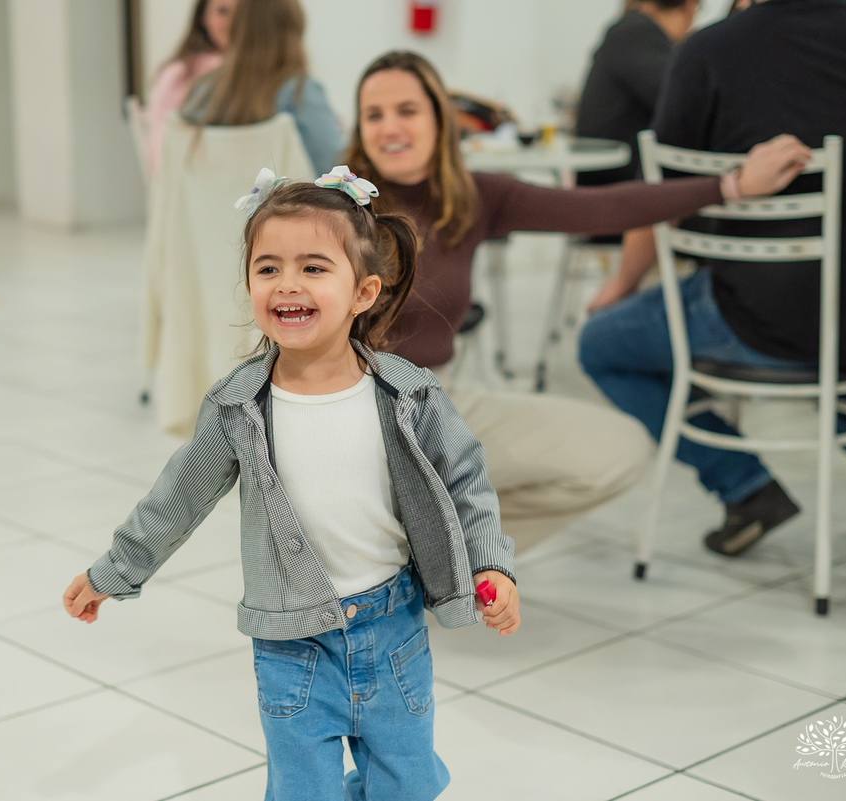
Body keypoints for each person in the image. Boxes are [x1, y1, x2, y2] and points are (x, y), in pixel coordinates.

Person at [64, 168, 519, 800]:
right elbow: (177, 499)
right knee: (304, 792)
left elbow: (467, 479)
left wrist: (493, 565)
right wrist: (112, 572)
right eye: (268, 268)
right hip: (291, 646)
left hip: (394, 632)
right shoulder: (238, 407)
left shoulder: (407, 392)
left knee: (407, 786)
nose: (287, 285)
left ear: (363, 292)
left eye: (312, 267)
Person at [341, 50, 809, 554]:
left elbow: (601, 208)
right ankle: (411, 549)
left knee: (618, 451)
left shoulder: (475, 197)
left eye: (407, 110)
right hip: (358, 416)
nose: (390, 127)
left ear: (441, 119)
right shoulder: (340, 206)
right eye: (375, 114)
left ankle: (446, 558)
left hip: (440, 403)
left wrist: (730, 186)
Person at [579, 0, 846, 555]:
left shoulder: (709, 49)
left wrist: (620, 286)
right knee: (821, 331)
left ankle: (746, 488)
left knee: (600, 344)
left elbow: (661, 196)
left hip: (772, 319)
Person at [180, 0, 344, 174]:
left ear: (237, 26)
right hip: (281, 201)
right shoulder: (300, 94)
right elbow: (335, 172)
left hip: (208, 201)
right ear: (294, 28)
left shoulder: (200, 91)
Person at [575, 0, 701, 187]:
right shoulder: (637, 34)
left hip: (613, 178)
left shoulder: (629, 31)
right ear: (690, 6)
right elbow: (682, 102)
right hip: (618, 184)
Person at [144, 0, 236, 173]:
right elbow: (161, 148)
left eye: (241, 13)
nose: (232, 21)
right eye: (222, 12)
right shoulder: (180, 73)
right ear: (203, 17)